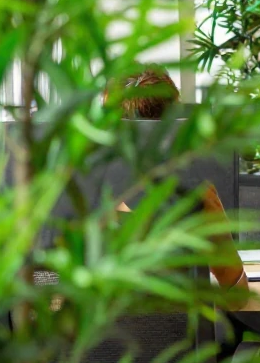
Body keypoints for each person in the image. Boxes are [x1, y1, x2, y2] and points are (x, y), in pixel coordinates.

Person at [104, 65, 248, 291]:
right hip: (184, 326)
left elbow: (49, 291)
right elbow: (237, 297)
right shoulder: (197, 198)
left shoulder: (83, 199)